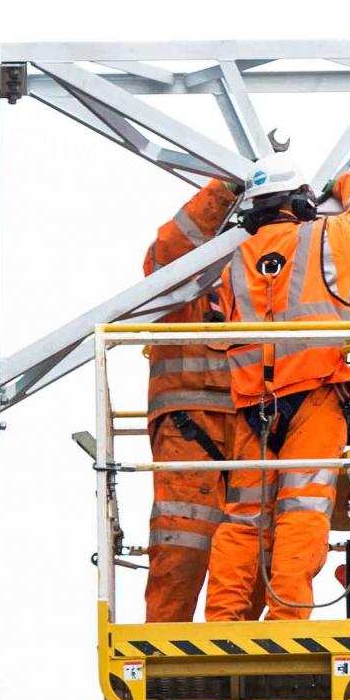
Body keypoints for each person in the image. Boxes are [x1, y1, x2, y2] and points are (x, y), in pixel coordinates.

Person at [204, 165, 350, 622]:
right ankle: (287, 618)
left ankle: (223, 618)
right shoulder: (328, 239)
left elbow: (215, 334)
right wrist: (349, 179)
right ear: (303, 203)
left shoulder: (230, 264)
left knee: (244, 518)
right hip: (314, 395)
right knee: (303, 509)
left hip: (254, 409)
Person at [140, 177, 244, 623]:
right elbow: (166, 250)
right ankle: (163, 652)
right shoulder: (182, 279)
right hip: (191, 431)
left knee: (251, 554)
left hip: (252, 428)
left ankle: (243, 655)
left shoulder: (265, 276)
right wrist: (226, 191)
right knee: (180, 548)